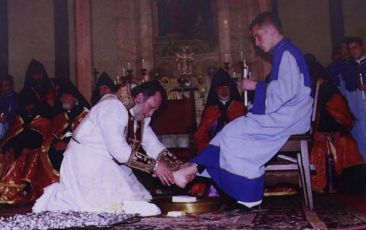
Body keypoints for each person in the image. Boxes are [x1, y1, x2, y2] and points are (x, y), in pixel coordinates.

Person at [177, 12, 313, 208]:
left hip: (290, 117)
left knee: (233, 131)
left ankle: (205, 172)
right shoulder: (285, 52)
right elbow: (284, 91)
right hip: (290, 115)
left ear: (271, 30)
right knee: (234, 131)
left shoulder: (286, 54)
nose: (256, 44)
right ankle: (202, 171)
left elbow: (285, 92)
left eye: (258, 37)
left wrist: (256, 86)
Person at [32, 81, 190, 216]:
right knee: (113, 210)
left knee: (140, 204)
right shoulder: (112, 107)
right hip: (85, 163)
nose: (151, 114)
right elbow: (120, 152)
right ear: (140, 97)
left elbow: (151, 143)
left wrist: (177, 166)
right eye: (151, 107)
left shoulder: (139, 113)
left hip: (107, 164)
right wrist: (154, 166)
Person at [306, 54, 364, 193]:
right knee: (318, 151)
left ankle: (349, 187)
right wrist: (317, 134)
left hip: (337, 135)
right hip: (314, 136)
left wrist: (337, 131)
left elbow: (343, 118)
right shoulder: (306, 92)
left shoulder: (332, 93)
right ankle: (319, 188)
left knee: (347, 144)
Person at [191, 68, 245, 197]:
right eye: (220, 87)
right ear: (215, 90)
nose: (224, 90)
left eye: (226, 87)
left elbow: (244, 132)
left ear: (231, 89)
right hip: (214, 148)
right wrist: (207, 148)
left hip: (235, 149)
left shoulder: (238, 107)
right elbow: (201, 134)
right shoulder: (211, 110)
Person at [0, 91, 57, 203]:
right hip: (15, 147)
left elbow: (41, 136)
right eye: (27, 105)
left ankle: (13, 190)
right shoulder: (20, 118)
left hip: (33, 148)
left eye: (31, 105)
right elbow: (12, 134)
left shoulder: (42, 119)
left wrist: (21, 148)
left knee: (19, 159)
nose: (29, 108)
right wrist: (8, 147)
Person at [48, 81, 89, 171]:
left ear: (74, 98)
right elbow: (53, 136)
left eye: (67, 96)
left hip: (79, 152)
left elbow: (88, 139)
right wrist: (54, 145)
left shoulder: (85, 115)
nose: (64, 99)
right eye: (62, 97)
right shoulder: (59, 117)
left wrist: (67, 145)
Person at [346, 37, 366, 160]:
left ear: (362, 46)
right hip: (358, 106)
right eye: (350, 49)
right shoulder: (350, 67)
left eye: (355, 47)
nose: (353, 51)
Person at [0, 74, 18, 139]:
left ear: (11, 86)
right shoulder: (1, 97)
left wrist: (6, 118)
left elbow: (13, 114)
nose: (3, 88)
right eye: (2, 86)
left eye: (6, 85)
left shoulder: (14, 98)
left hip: (8, 123)